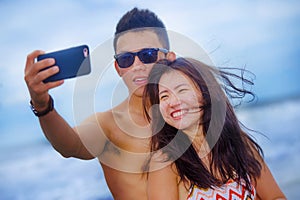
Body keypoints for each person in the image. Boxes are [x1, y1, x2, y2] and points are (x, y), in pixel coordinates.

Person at [24, 8, 175, 200]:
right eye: (126, 59)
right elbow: (70, 145)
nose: (137, 66)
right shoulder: (109, 125)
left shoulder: (192, 112)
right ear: (118, 68)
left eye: (148, 55)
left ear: (170, 59)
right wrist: (43, 105)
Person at [143, 58, 286, 200]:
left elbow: (275, 197)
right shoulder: (165, 162)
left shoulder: (239, 143)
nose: (172, 102)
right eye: (164, 96)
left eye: (181, 90)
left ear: (206, 94)